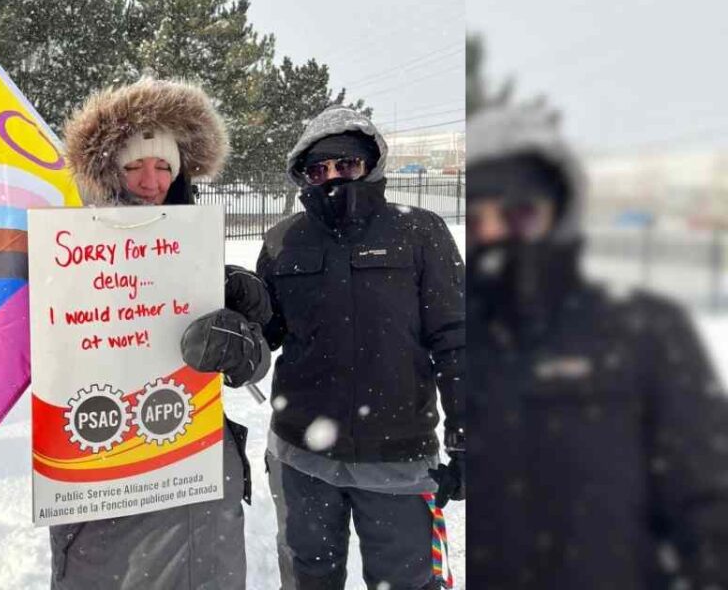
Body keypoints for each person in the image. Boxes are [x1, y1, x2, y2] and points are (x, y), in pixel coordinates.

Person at [467, 105, 728, 588]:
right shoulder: (463, 330)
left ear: (559, 211)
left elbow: (709, 509)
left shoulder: (646, 331)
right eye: (476, 218)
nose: (496, 234)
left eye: (519, 213)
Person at [49, 78, 271, 589]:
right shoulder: (60, 256)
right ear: (106, 171)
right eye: (134, 165)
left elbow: (253, 371)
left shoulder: (198, 258)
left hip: (195, 486)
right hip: (100, 484)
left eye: (164, 166)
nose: (151, 182)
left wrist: (244, 344)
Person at [256, 105, 465, 589]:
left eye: (346, 164)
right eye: (317, 169)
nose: (332, 177)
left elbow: (455, 338)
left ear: (371, 165)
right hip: (302, 456)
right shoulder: (283, 240)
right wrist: (237, 311)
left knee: (408, 582)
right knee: (310, 576)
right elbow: (266, 337)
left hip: (398, 457)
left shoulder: (420, 232)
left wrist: (467, 434)